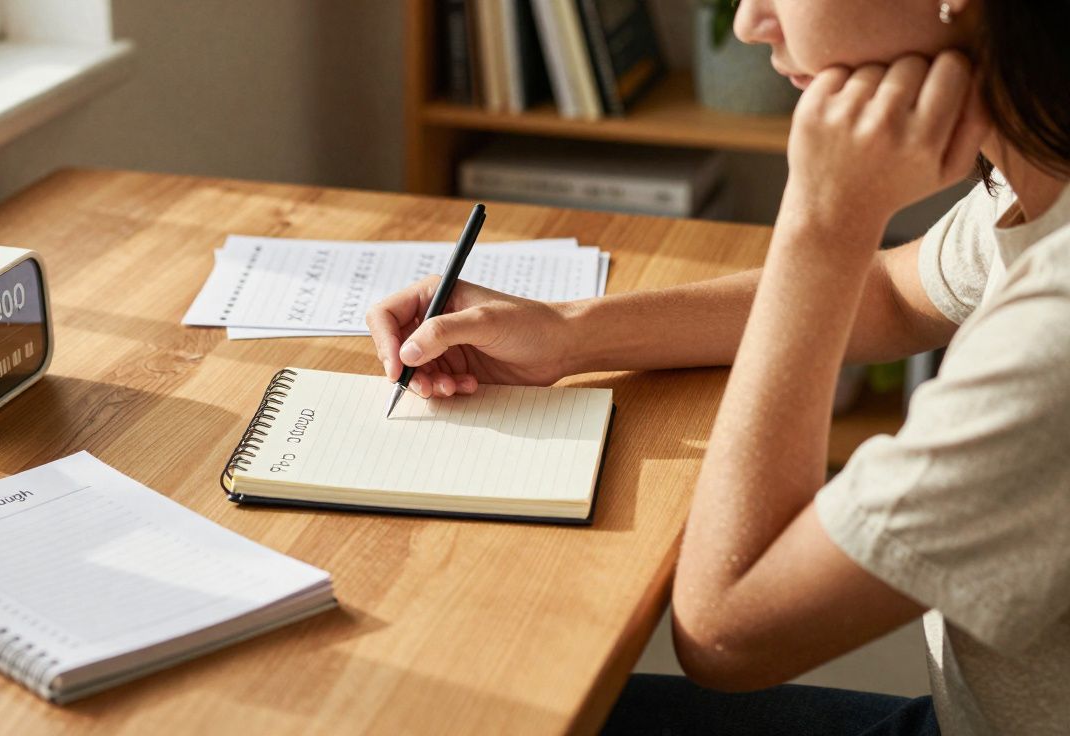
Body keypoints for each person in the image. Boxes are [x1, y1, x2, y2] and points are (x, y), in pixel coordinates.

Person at [365, 1, 1070, 733]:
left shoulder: (1055, 330)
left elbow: (726, 629)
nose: (749, 22)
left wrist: (820, 224)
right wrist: (568, 335)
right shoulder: (1040, 168)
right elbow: (895, 293)